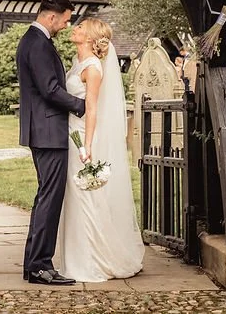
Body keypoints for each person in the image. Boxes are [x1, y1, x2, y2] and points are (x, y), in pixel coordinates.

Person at [53, 17, 144, 282]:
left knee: (84, 195)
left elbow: (92, 108)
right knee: (73, 195)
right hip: (70, 132)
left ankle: (91, 260)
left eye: (80, 27)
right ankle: (74, 259)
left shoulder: (93, 68)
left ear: (91, 37)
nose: (75, 28)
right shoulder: (77, 62)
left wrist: (88, 146)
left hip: (82, 135)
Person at [16, 0, 86, 286]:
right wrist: (82, 106)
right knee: (49, 198)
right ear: (51, 16)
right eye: (66, 19)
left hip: (44, 131)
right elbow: (50, 89)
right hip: (48, 133)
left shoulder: (34, 41)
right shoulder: (38, 43)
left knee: (46, 196)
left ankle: (34, 264)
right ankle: (40, 266)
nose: (66, 25)